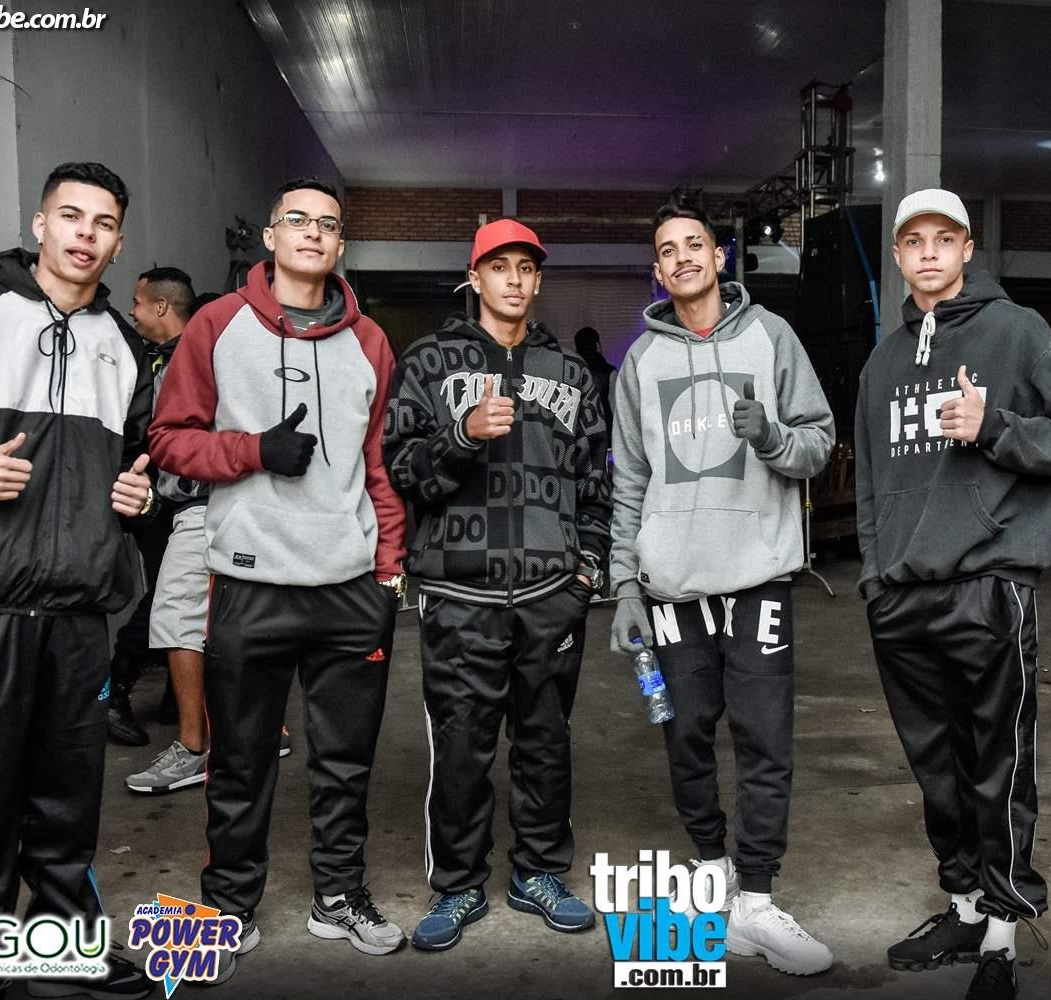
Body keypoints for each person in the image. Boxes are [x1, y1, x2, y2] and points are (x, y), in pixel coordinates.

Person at [148, 177, 408, 979]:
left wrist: (388, 570)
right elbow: (168, 438)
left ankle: (340, 896)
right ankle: (228, 908)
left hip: (349, 587)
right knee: (241, 761)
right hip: (250, 580)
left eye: (328, 223)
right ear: (270, 235)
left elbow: (377, 464)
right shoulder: (217, 326)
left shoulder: (371, 341)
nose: (312, 232)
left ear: (340, 244)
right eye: (297, 219)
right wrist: (253, 450)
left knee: (345, 761)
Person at [0, 161, 154, 999]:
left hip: (79, 608)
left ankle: (65, 946)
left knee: (68, 799)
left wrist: (143, 495)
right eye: (71, 216)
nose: (86, 233)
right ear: (41, 224)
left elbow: (140, 462)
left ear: (118, 241)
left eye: (103, 222)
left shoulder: (124, 344)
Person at [856, 188, 1051, 1000]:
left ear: (966, 249)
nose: (928, 252)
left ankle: (1003, 928)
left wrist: (993, 425)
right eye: (913, 241)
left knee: (998, 764)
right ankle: (963, 905)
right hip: (902, 595)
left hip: (989, 583)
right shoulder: (883, 362)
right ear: (898, 256)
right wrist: (875, 575)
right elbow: (869, 482)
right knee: (937, 766)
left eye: (944, 238)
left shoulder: (1016, 330)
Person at [608, 197, 837, 976]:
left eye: (694, 244)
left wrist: (771, 437)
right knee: (683, 734)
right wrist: (625, 585)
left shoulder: (771, 337)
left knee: (765, 739)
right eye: (668, 250)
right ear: (657, 270)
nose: (682, 258)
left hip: (757, 579)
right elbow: (628, 481)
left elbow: (818, 442)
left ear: (719, 256)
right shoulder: (641, 362)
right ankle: (714, 877)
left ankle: (759, 900)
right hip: (671, 587)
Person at [382, 218, 611, 952]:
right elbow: (401, 470)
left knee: (545, 744)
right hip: (461, 595)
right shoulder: (429, 361)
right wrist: (461, 435)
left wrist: (586, 569)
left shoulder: (571, 373)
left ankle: (539, 874)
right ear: (474, 277)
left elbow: (595, 483)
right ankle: (457, 885)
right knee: (462, 749)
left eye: (526, 268)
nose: (514, 279)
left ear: (538, 280)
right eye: (500, 266)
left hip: (551, 595)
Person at [106, 267, 198, 747]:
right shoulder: (143, 358)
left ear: (161, 306)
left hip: (181, 500)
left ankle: (147, 695)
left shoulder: (198, 357)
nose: (132, 311)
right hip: (150, 501)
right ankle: (116, 690)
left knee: (172, 597)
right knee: (168, 596)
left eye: (138, 302)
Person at [574, 325, 616, 432]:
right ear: (597, 345)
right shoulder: (609, 372)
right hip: (605, 434)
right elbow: (616, 410)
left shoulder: (570, 373)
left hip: (578, 436)